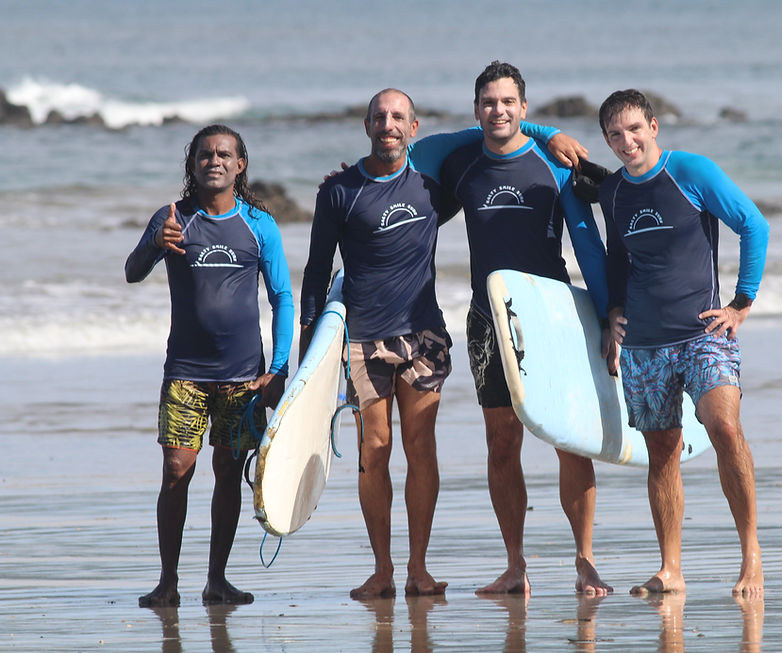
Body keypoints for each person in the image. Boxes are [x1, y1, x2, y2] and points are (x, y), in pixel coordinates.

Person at [300, 88, 578, 599]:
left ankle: (418, 570)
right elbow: (317, 275)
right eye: (379, 117)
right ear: (366, 126)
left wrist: (546, 133)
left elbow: (491, 132)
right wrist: (306, 363)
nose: (389, 124)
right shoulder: (339, 191)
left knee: (421, 447)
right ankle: (382, 570)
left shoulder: (433, 184)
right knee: (375, 450)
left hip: (424, 335)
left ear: (414, 127)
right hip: (363, 340)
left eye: (398, 117)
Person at [440, 61, 613, 596]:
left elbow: (588, 246)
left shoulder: (554, 166)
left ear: (524, 108)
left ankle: (584, 561)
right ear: (477, 110)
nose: (498, 110)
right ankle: (516, 565)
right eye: (489, 102)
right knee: (500, 442)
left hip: (551, 318)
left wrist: (609, 319)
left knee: (570, 440)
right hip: (487, 320)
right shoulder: (462, 168)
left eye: (508, 102)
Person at [596, 89, 769, 597]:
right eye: (614, 134)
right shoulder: (612, 193)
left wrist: (742, 302)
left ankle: (751, 555)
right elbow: (616, 258)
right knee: (662, 453)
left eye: (633, 129)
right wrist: (612, 314)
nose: (626, 141)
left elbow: (753, 225)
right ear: (607, 140)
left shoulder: (691, 171)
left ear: (653, 126)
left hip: (704, 334)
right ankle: (671, 568)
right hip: (645, 344)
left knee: (724, 428)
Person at [126, 124, 294, 607]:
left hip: (243, 377)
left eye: (224, 154)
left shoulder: (259, 224)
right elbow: (132, 272)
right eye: (205, 154)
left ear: (240, 165)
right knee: (176, 471)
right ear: (192, 164)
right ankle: (167, 582)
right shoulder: (174, 218)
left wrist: (279, 368)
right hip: (185, 371)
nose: (214, 161)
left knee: (227, 470)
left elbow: (282, 297)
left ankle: (216, 579)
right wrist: (156, 242)